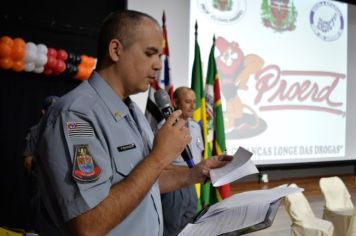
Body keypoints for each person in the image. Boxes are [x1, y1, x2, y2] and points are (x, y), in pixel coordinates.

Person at [36, 10, 231, 236]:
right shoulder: (76, 116)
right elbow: (89, 225)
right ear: (116, 50)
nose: (158, 65)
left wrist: (195, 173)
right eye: (150, 54)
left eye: (159, 55)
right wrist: (158, 157)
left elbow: (145, 182)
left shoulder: (132, 111)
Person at [160, 87, 204, 236]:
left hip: (191, 186)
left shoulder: (195, 127)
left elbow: (199, 156)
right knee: (171, 230)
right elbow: (160, 164)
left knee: (191, 228)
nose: (193, 106)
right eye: (187, 102)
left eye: (194, 102)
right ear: (175, 102)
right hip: (173, 187)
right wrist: (188, 172)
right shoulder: (164, 128)